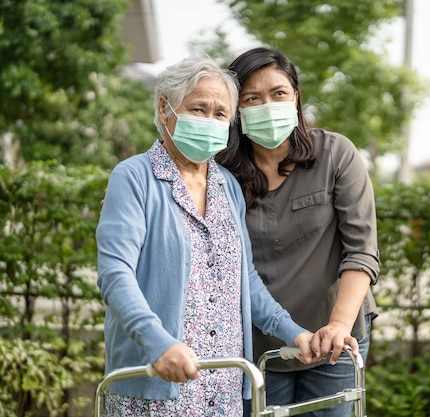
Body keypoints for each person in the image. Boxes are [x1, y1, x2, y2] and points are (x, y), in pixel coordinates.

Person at [96, 55, 319, 417]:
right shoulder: (133, 177)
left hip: (224, 387)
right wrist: (158, 344)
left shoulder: (226, 184)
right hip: (157, 384)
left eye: (220, 114)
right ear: (164, 109)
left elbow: (244, 280)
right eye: (198, 109)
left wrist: (295, 333)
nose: (210, 121)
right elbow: (115, 275)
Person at [215, 47, 380, 417]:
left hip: (335, 335)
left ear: (296, 97)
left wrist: (337, 325)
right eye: (251, 98)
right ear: (236, 110)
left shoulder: (336, 154)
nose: (267, 105)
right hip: (258, 343)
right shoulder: (219, 175)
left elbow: (362, 251)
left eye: (278, 94)